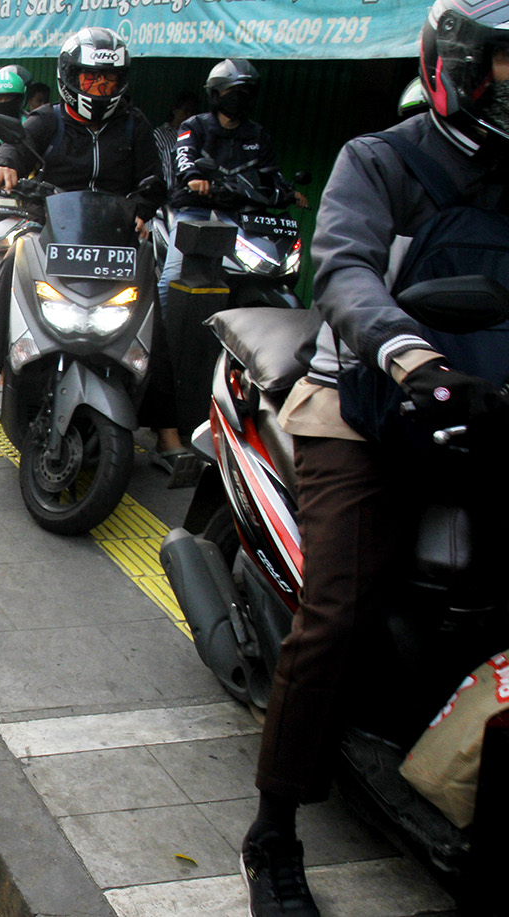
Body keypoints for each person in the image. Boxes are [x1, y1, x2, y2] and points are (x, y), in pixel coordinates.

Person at [240, 4, 509, 913]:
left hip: (485, 405)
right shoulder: (381, 159)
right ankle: (273, 834)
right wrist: (410, 354)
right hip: (364, 401)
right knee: (340, 612)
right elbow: (344, 268)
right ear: (460, 68)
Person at [0, 27, 165, 419]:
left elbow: (153, 179)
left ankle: (164, 421)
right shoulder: (47, 120)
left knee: (155, 303)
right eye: (90, 78)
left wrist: (142, 206)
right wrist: (4, 165)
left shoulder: (135, 124)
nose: (100, 87)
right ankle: (2, 373)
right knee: (10, 266)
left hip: (117, 237)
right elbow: (15, 147)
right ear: (70, 77)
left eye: (109, 80)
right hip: (49, 229)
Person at [154, 61, 304, 457]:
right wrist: (194, 179)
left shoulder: (258, 134)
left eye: (246, 91)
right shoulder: (197, 126)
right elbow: (185, 159)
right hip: (196, 214)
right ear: (216, 93)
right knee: (172, 280)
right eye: (233, 90)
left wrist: (287, 190)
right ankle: (159, 339)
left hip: (242, 216)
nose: (240, 98)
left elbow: (270, 174)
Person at [152, 89, 199, 191]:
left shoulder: (195, 134)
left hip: (187, 192)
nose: (189, 115)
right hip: (166, 192)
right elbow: (165, 164)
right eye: (186, 111)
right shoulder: (162, 134)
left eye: (192, 112)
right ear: (175, 110)